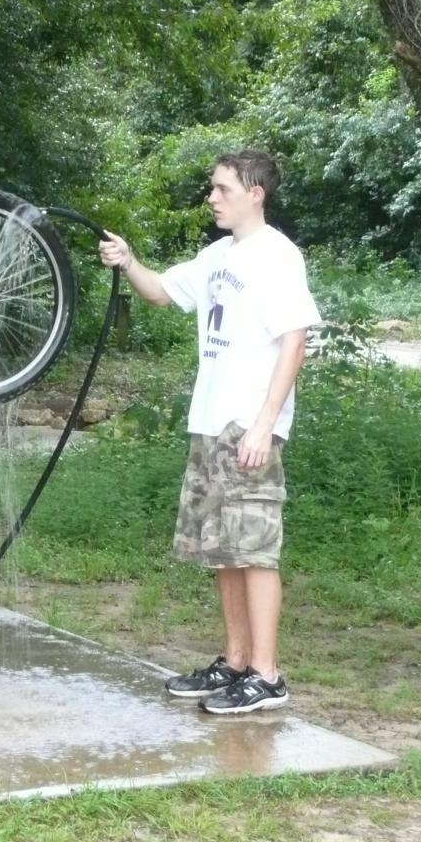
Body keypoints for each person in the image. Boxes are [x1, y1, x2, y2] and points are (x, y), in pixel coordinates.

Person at [98, 149, 320, 714]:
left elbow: (295, 342)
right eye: (213, 188)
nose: (212, 197)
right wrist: (128, 261)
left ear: (255, 192)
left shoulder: (277, 256)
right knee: (224, 551)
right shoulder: (217, 254)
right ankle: (235, 662)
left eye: (222, 189)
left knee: (256, 552)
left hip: (248, 426)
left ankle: (268, 676)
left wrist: (264, 427)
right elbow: (161, 292)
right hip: (210, 423)